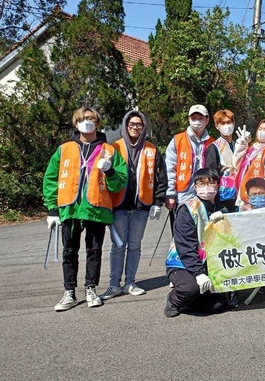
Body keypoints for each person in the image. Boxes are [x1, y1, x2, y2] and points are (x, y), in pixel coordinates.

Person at [43, 107, 128, 311]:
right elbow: (51, 179)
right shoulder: (64, 149)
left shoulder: (110, 150)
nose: (86, 122)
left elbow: (120, 182)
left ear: (98, 123)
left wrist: (110, 172)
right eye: (82, 119)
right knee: (69, 252)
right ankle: (69, 292)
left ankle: (91, 288)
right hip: (70, 209)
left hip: (96, 209)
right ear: (75, 123)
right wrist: (52, 209)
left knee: (94, 251)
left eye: (91, 118)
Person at [101, 110, 167, 301]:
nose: (135, 127)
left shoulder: (152, 150)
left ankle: (130, 282)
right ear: (125, 125)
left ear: (144, 127)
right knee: (118, 246)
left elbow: (160, 178)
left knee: (135, 245)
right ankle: (114, 285)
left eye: (139, 124)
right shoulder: (114, 147)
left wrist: (158, 202)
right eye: (132, 124)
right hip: (118, 205)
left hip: (141, 206)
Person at [164, 168, 228, 317]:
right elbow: (185, 246)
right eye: (201, 184)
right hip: (182, 262)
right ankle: (174, 300)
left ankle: (194, 300)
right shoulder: (188, 209)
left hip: (210, 262)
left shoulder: (222, 207)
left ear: (218, 186)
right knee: (190, 288)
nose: (206, 188)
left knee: (219, 304)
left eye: (211, 183)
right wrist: (198, 273)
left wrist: (226, 215)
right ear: (195, 187)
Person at [164, 104, 214, 212]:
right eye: (194, 118)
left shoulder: (212, 143)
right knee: (183, 227)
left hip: (206, 194)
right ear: (189, 119)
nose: (197, 121)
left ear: (207, 120)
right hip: (182, 197)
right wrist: (170, 194)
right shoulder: (177, 140)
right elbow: (169, 168)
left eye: (201, 118)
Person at [233, 118, 265, 208]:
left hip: (257, 201)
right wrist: (242, 144)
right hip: (244, 197)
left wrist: (258, 198)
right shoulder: (252, 148)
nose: (262, 132)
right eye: (260, 129)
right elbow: (236, 165)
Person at [205, 109, 238, 213]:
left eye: (229, 122)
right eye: (223, 123)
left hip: (239, 195)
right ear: (217, 126)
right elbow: (211, 174)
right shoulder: (214, 147)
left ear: (233, 123)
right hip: (223, 197)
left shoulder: (238, 145)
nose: (227, 126)